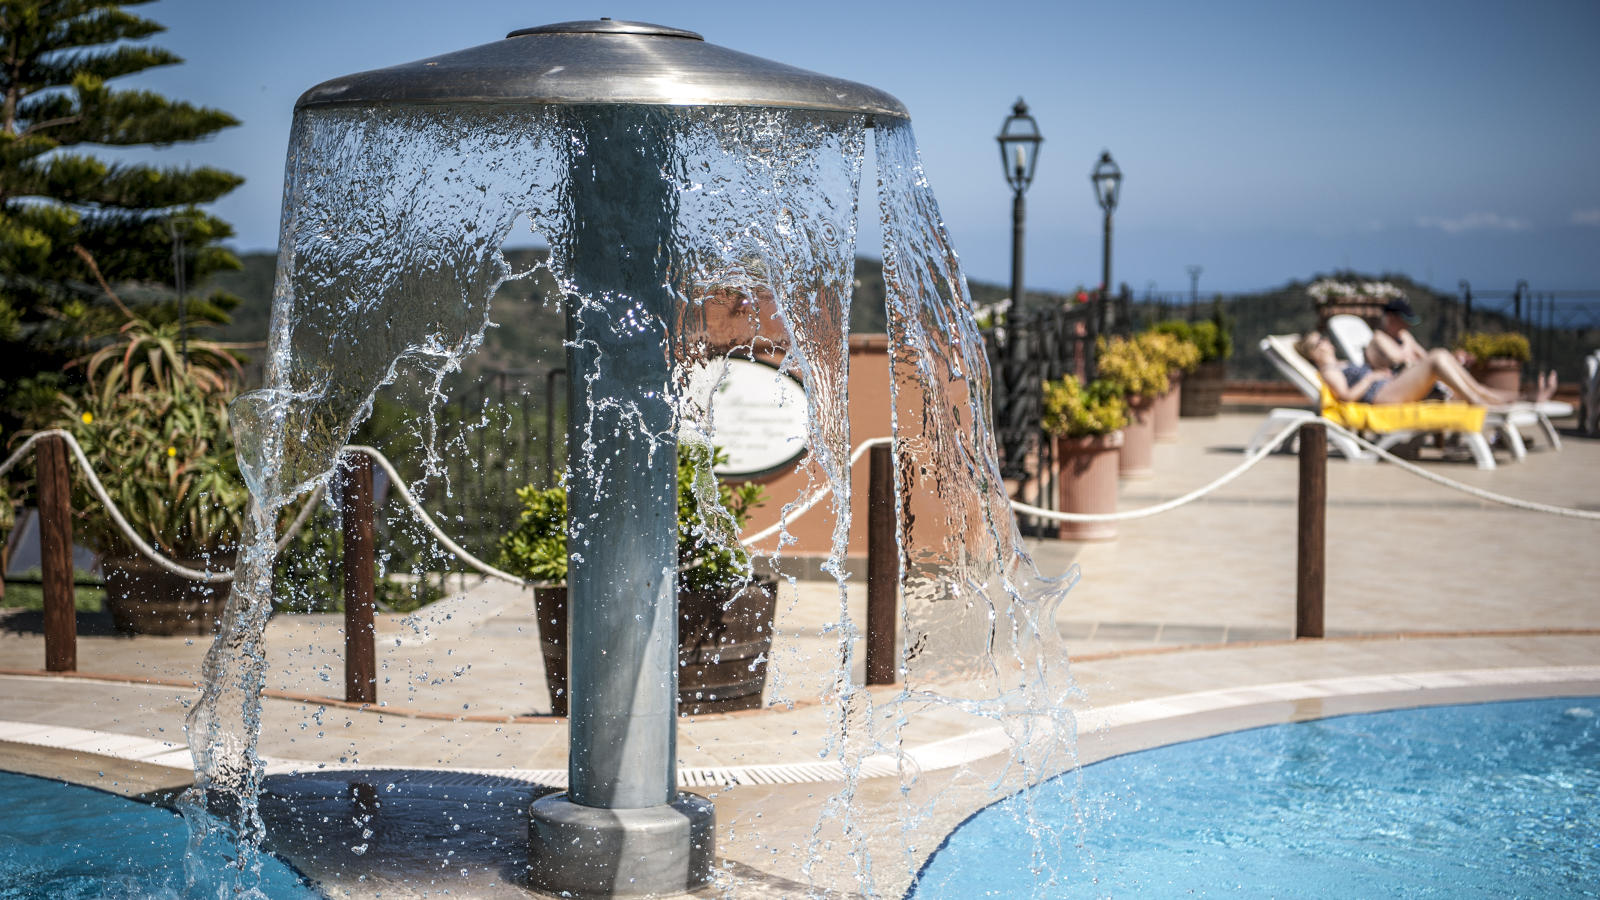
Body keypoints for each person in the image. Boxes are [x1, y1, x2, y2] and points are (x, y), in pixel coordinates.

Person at [1298, 331, 1554, 407]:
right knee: (1437, 358)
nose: (1327, 342)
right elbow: (1345, 397)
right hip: (1382, 396)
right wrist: (1373, 377)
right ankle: (1478, 400)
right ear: (1313, 352)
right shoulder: (1330, 371)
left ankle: (1527, 397)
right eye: (1320, 341)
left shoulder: (1339, 364)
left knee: (1471, 385)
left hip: (1388, 387)